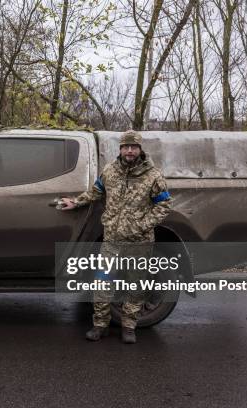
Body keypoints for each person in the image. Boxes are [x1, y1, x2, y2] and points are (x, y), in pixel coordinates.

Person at [60, 130, 172, 344]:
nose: (129, 150)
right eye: (126, 146)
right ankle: (100, 325)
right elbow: (95, 192)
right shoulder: (110, 171)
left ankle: (129, 326)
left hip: (140, 241)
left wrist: (141, 225)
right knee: (103, 282)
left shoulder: (153, 175)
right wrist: (76, 202)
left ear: (140, 149)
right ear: (120, 149)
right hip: (111, 239)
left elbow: (164, 205)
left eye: (134, 147)